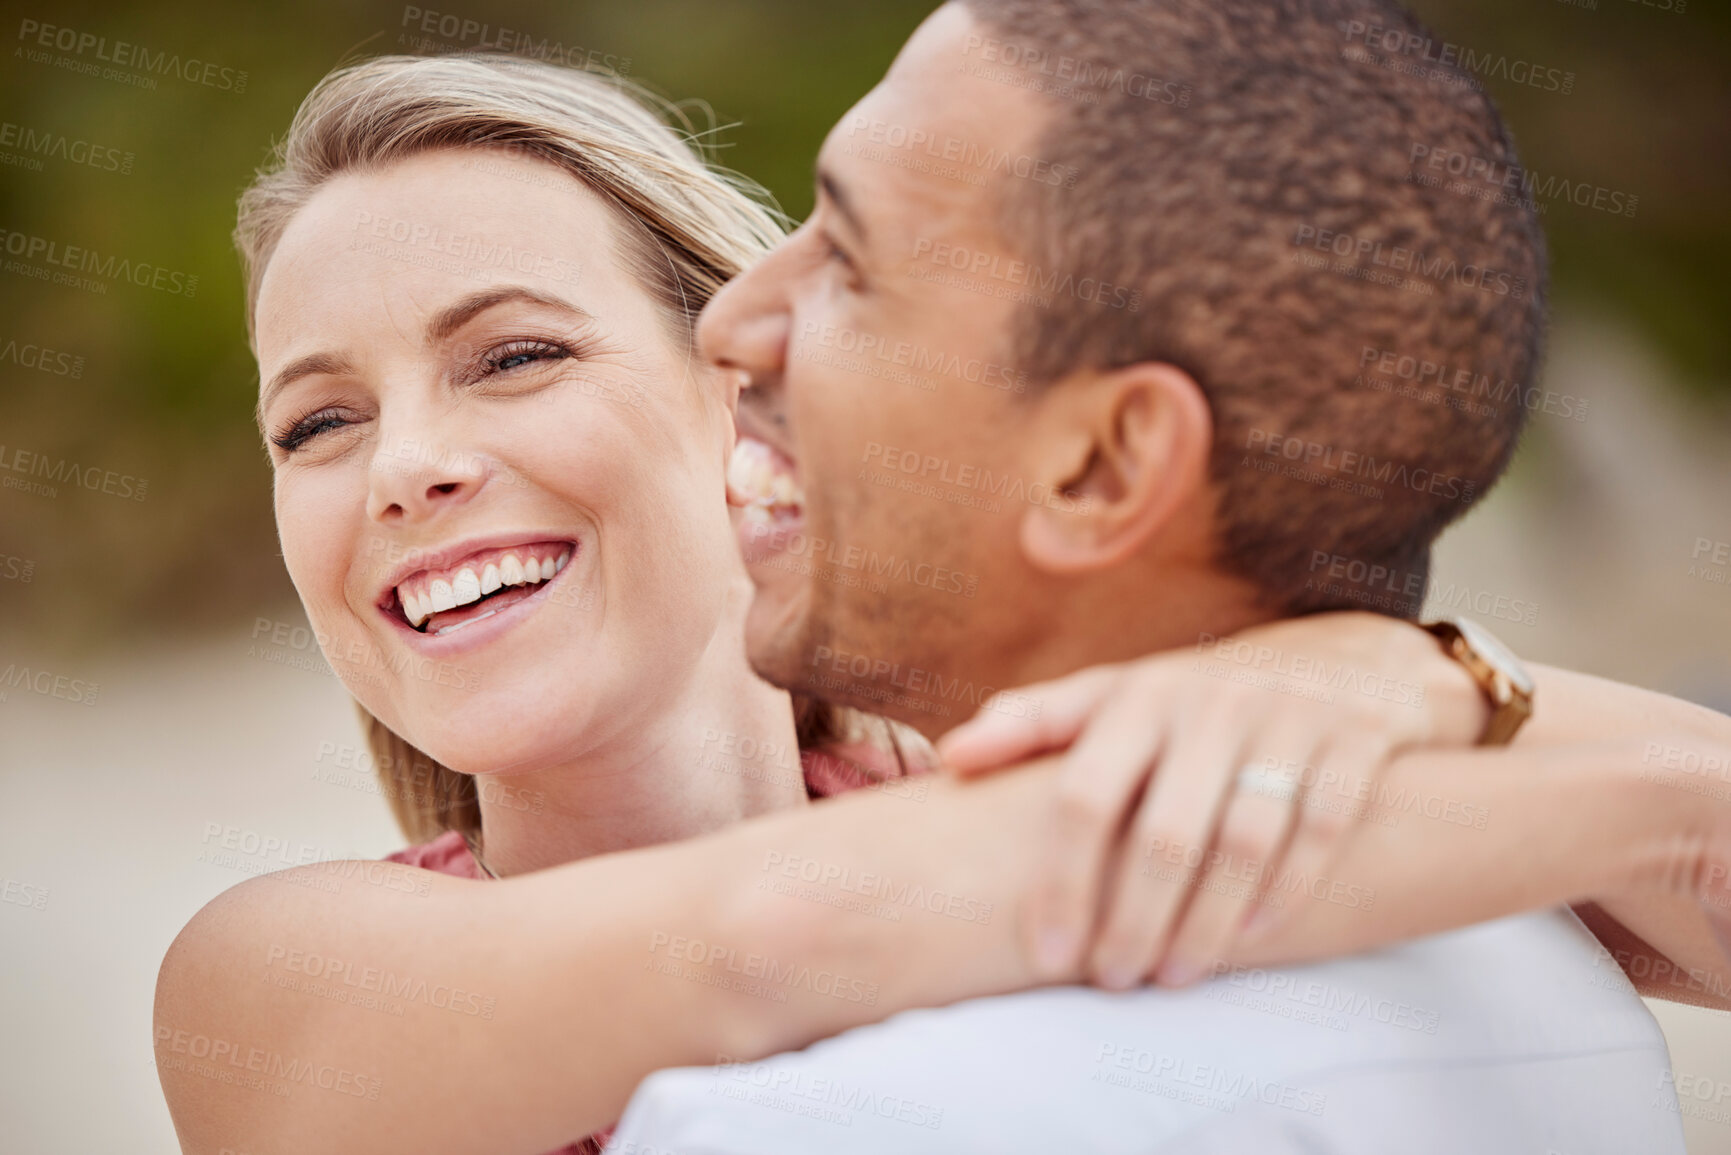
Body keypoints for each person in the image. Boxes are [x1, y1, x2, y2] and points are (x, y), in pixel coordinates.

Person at [155, 32, 1730, 1155]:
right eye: (317, 422)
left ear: (736, 389)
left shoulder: (1008, 748)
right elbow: (772, 942)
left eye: (514, 356)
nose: (403, 467)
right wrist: (1454, 714)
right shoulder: (278, 974)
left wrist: (1404, 680)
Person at [600, 0, 1731, 1150]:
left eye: (847, 262)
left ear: (1103, 463)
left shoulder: (844, 1119)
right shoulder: (1548, 970)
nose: (733, 321)